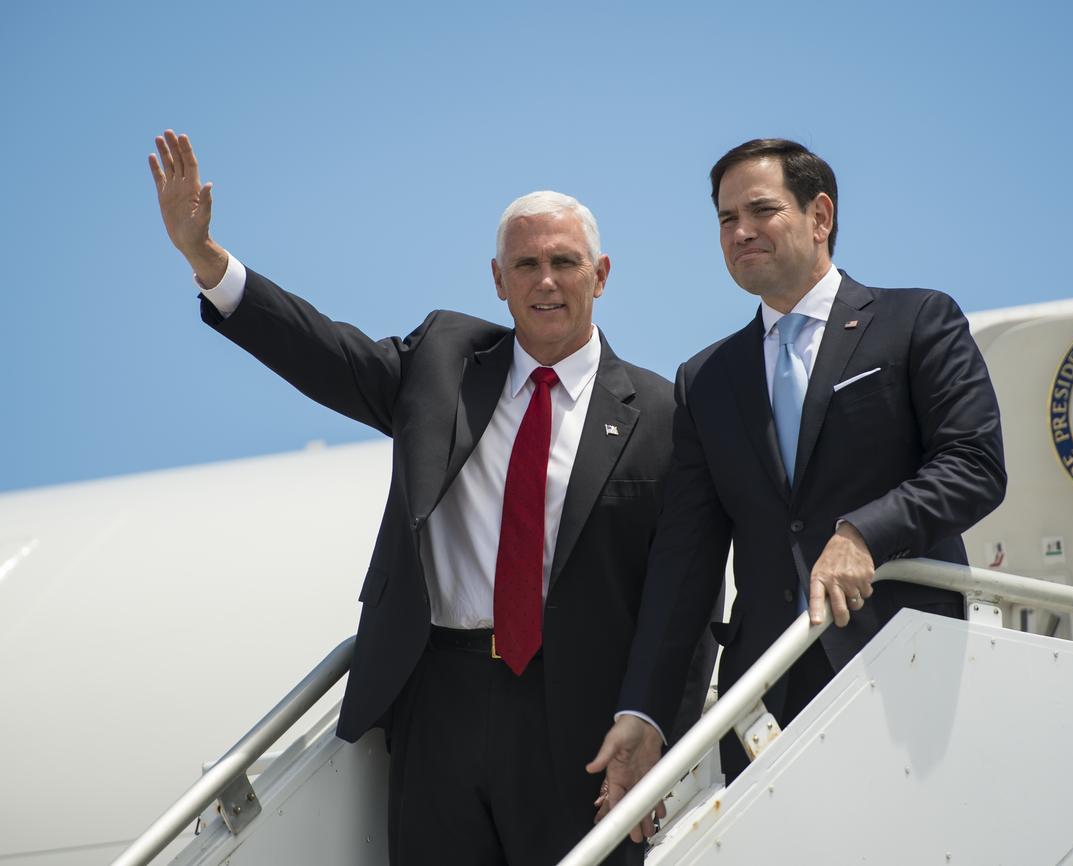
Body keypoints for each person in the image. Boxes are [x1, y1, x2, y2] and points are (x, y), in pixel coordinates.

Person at [148, 130, 711, 866]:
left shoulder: (665, 416)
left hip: (581, 716)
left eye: (565, 263)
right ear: (497, 279)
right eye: (526, 265)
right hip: (438, 698)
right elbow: (327, 353)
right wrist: (208, 261)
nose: (546, 281)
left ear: (600, 274)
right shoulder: (443, 364)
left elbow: (685, 598)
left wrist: (658, 728)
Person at [588, 138, 1007, 839]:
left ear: (821, 216)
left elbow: (974, 465)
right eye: (726, 219)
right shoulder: (707, 378)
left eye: (761, 210)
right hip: (769, 691)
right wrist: (647, 714)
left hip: (908, 662)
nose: (740, 231)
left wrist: (863, 532)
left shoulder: (916, 322)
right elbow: (686, 560)